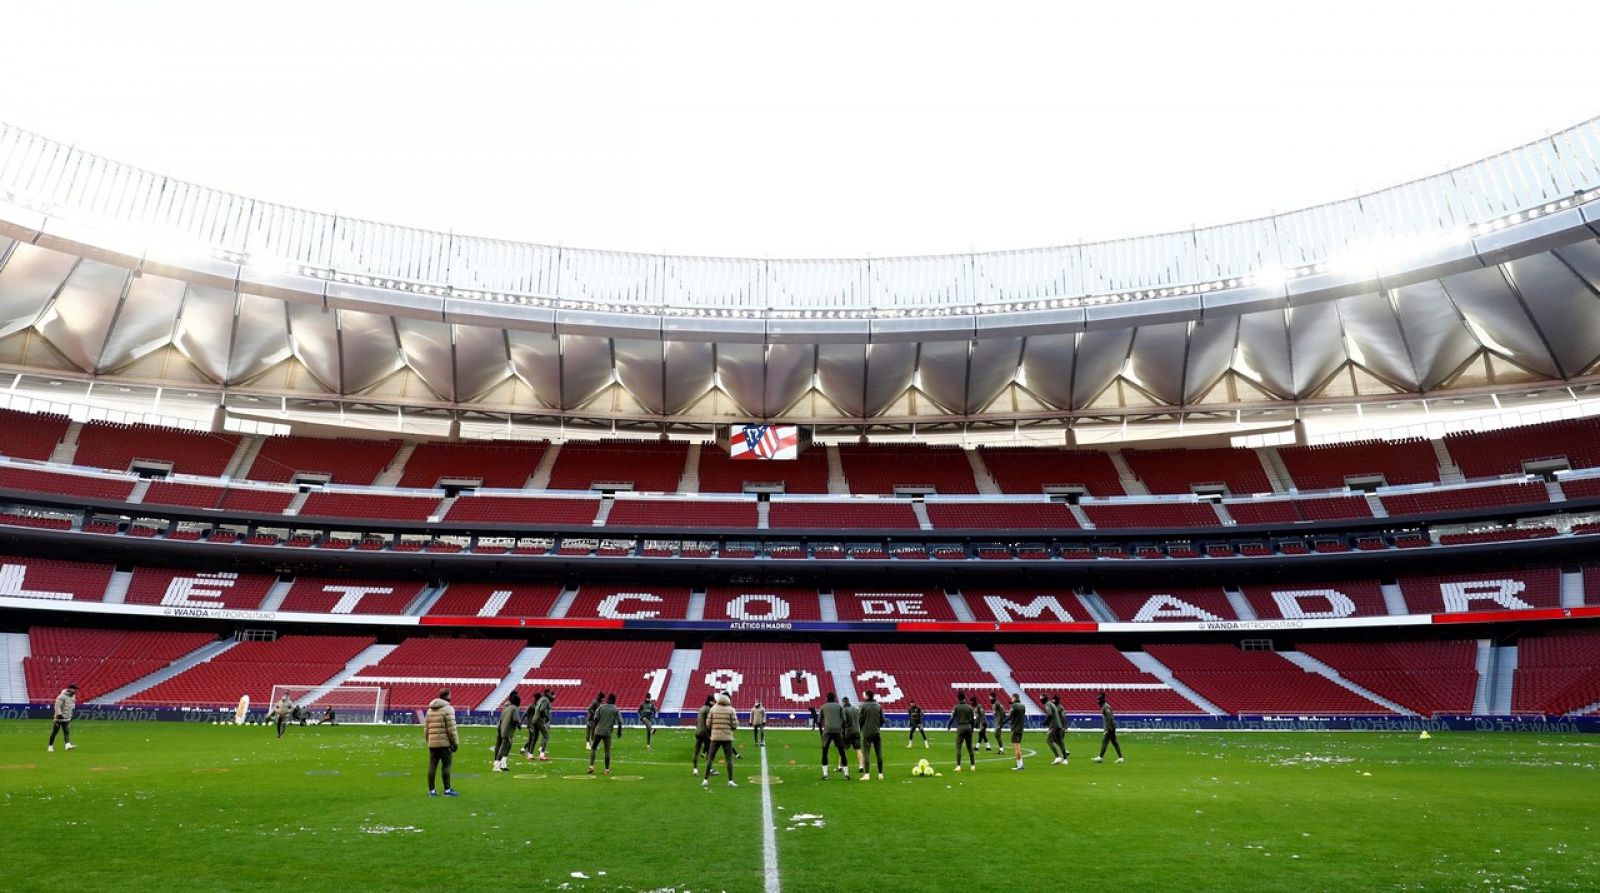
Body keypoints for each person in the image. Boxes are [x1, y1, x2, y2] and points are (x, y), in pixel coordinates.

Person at [425, 688, 459, 797]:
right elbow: (451, 729)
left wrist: (428, 741)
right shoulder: (448, 709)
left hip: (433, 743)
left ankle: (432, 791)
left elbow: (426, 728)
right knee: (446, 766)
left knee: (432, 766)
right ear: (448, 696)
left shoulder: (430, 709)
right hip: (444, 744)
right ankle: (447, 790)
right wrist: (455, 743)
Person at [702, 692, 739, 788]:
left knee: (710, 759)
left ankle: (705, 780)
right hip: (727, 738)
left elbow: (708, 724)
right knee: (729, 760)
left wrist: (714, 729)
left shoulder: (713, 709)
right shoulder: (731, 710)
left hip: (715, 737)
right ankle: (730, 780)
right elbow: (735, 725)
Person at [818, 691, 849, 780]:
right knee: (842, 752)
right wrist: (840, 727)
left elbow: (819, 720)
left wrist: (822, 730)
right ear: (835, 698)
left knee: (825, 752)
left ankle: (825, 774)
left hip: (827, 730)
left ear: (827, 698)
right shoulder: (839, 706)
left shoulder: (823, 707)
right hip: (837, 730)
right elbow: (844, 719)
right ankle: (846, 774)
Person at [588, 693, 622, 775]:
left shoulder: (601, 707)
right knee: (607, 751)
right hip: (607, 732)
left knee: (593, 748)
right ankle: (606, 770)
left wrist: (595, 727)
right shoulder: (616, 709)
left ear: (607, 699)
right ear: (614, 700)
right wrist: (619, 732)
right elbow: (620, 722)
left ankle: (591, 766)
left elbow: (596, 718)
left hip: (598, 731)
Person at [857, 690, 885, 780]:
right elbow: (883, 720)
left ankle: (867, 774)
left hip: (867, 732)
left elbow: (860, 719)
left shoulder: (863, 706)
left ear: (867, 696)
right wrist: (877, 726)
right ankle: (880, 774)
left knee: (866, 753)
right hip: (877, 732)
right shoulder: (878, 706)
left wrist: (861, 728)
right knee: (879, 752)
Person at [493, 691, 522, 772]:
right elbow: (516, 719)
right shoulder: (515, 708)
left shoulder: (507, 707)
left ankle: (502, 764)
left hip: (501, 729)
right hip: (507, 731)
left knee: (503, 746)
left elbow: (501, 719)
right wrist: (519, 726)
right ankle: (497, 766)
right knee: (505, 748)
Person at [1093, 692, 1123, 763]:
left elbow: (1109, 715)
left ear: (1102, 699)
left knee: (1105, 741)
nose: (1098, 701)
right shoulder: (1105, 706)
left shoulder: (1105, 707)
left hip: (1110, 727)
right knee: (1114, 742)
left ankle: (1100, 757)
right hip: (1111, 726)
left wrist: (1110, 726)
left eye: (1099, 700)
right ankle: (1120, 757)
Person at [47, 683, 77, 752]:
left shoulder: (73, 696)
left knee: (66, 731)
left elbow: (71, 706)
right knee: (55, 732)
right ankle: (50, 747)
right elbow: (57, 706)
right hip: (59, 717)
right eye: (74, 689)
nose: (75, 690)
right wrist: (59, 714)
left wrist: (71, 714)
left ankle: (67, 745)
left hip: (66, 717)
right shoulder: (61, 696)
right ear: (70, 689)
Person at [951, 692, 976, 771]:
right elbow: (973, 720)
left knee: (958, 747)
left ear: (958, 698)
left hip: (961, 727)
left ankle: (958, 766)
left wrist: (948, 726)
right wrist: (972, 728)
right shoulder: (969, 707)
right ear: (965, 698)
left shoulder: (956, 707)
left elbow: (952, 718)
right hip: (968, 727)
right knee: (970, 748)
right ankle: (972, 766)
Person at [692, 694, 715, 776]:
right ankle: (710, 769)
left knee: (696, 751)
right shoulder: (708, 709)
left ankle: (695, 769)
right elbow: (709, 723)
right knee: (709, 751)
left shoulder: (701, 708)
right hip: (704, 732)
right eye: (713, 701)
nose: (714, 703)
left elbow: (697, 721)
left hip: (697, 731)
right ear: (710, 701)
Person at [1048, 694, 1070, 765]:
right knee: (1059, 742)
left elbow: (1064, 717)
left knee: (1050, 740)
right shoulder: (1055, 707)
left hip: (1059, 727)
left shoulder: (1060, 708)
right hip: (1056, 727)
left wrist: (1065, 727)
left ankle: (1058, 757)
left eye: (1054, 700)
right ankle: (1065, 758)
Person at [841, 696, 861, 773]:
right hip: (857, 731)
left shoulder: (844, 710)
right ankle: (861, 766)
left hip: (848, 732)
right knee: (858, 749)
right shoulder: (856, 709)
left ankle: (841, 766)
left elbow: (843, 721)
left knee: (843, 750)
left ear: (843, 702)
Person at [1008, 693, 1027, 770]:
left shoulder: (1014, 706)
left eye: (1011, 698)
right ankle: (1020, 763)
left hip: (1015, 729)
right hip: (1021, 729)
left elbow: (1010, 716)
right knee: (1018, 746)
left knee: (1016, 747)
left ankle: (1020, 765)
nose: (1011, 700)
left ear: (1014, 698)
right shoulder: (1023, 706)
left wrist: (1002, 723)